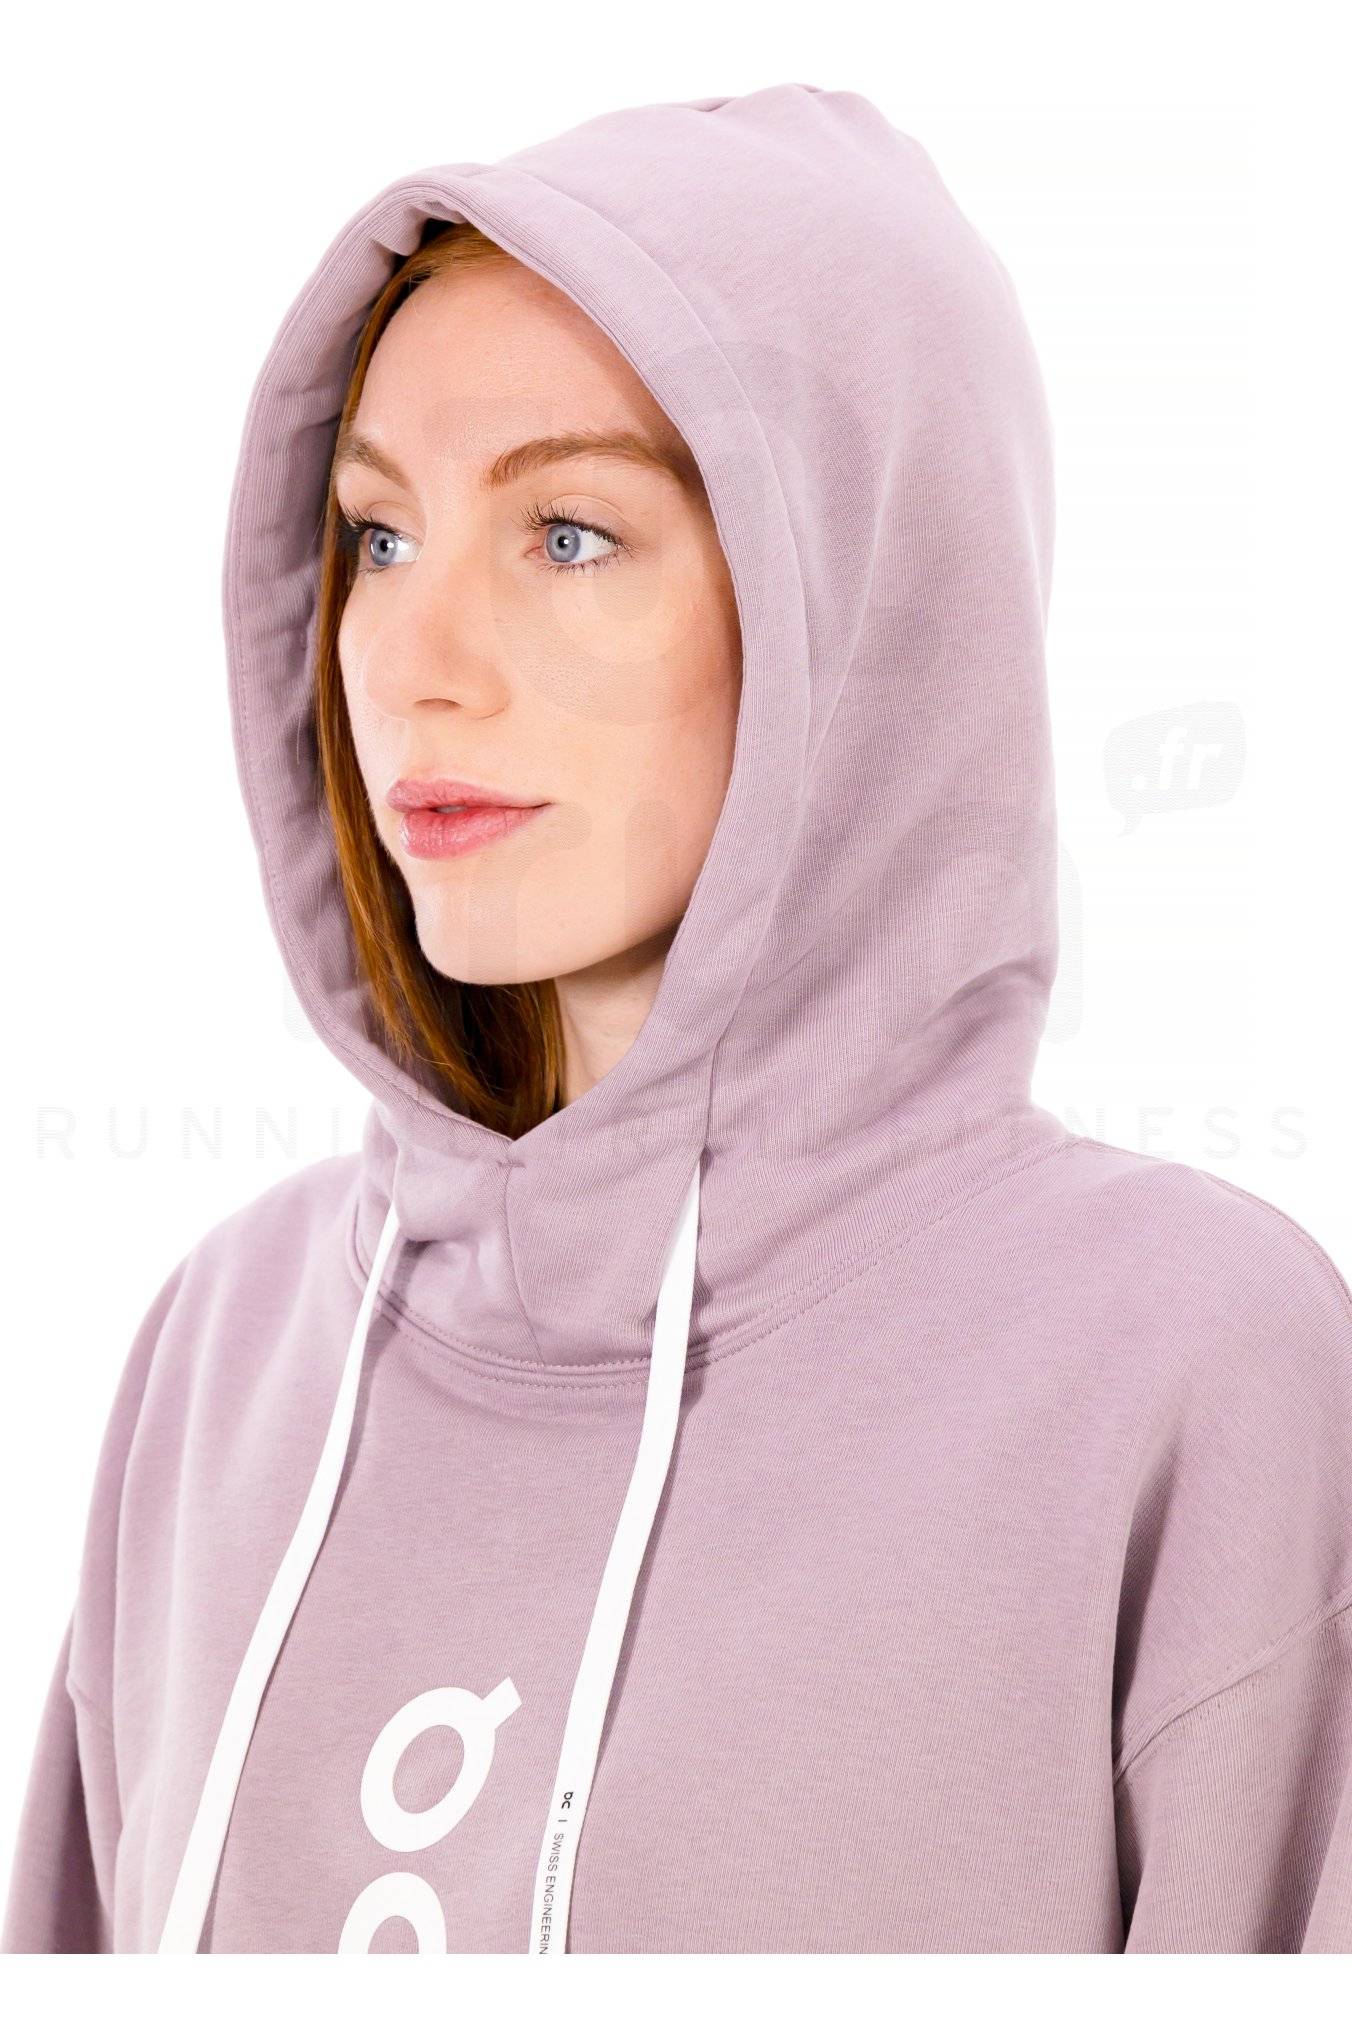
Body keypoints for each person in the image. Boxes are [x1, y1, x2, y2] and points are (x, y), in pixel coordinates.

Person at [4, 81, 1351, 1957]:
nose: (412, 662)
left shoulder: (1193, 1365)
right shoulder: (225, 1350)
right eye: (377, 536)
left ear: (865, 598)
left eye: (567, 533)